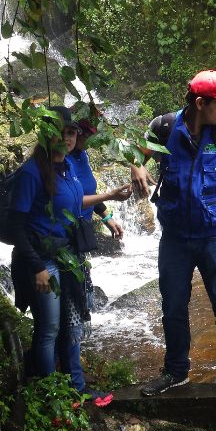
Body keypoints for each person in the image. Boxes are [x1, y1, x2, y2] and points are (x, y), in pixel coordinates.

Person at [130, 70, 216, 403]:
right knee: (172, 306)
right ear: (200, 103)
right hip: (174, 237)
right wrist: (138, 166)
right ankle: (175, 372)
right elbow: (135, 153)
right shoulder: (163, 127)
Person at [9, 106, 114, 405]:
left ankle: (76, 389)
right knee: (49, 328)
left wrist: (107, 200)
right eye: (60, 132)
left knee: (71, 324)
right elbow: (18, 225)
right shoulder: (32, 172)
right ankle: (51, 395)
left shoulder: (66, 167)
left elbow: (75, 201)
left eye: (71, 132)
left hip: (67, 256)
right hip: (43, 261)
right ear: (46, 134)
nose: (66, 138)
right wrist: (38, 267)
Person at [67, 118, 131, 312]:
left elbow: (89, 192)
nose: (93, 142)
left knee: (83, 292)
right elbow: (71, 199)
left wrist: (107, 219)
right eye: (90, 137)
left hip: (81, 232)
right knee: (73, 298)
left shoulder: (82, 156)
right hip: (64, 235)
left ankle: (79, 335)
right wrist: (111, 195)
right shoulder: (63, 161)